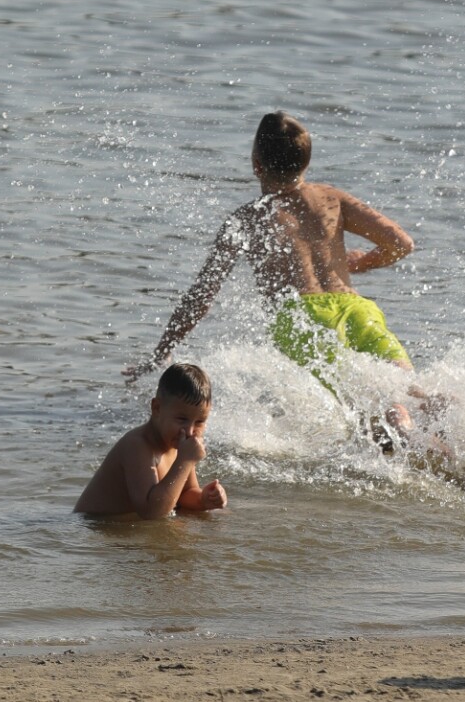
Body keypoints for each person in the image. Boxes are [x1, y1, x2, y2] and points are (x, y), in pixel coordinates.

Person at [123, 113, 423, 434]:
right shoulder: (332, 199)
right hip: (357, 309)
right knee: (409, 393)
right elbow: (400, 243)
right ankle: (450, 426)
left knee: (368, 410)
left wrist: (162, 350)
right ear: (306, 164)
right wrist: (358, 263)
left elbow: (202, 296)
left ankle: (401, 432)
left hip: (301, 321)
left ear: (256, 165)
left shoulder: (247, 219)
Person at [75, 362, 227, 517]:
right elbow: (151, 512)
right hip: (93, 528)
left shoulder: (179, 444)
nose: (189, 431)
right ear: (157, 409)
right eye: (182, 419)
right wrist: (185, 461)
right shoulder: (137, 446)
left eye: (199, 422)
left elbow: (184, 493)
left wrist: (203, 499)